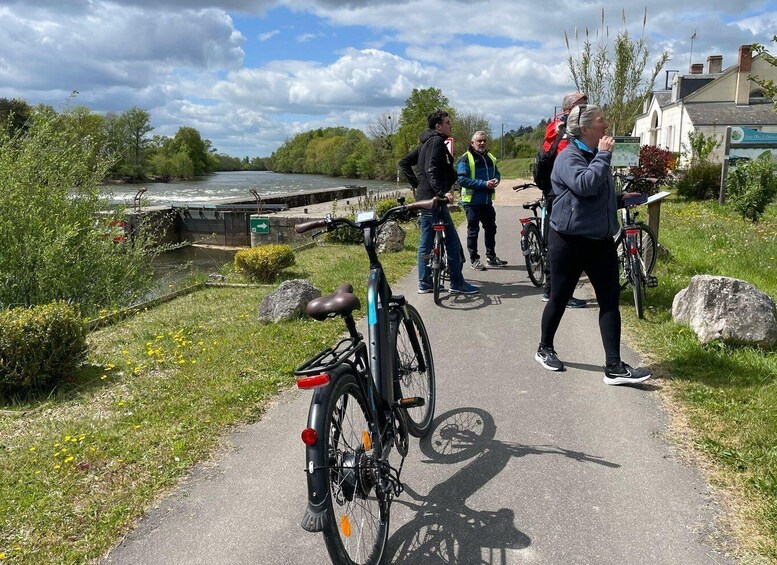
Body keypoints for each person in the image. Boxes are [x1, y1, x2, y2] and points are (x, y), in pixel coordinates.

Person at [534, 104, 652, 386]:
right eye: (601, 121)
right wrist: (604, 155)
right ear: (585, 129)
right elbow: (584, 185)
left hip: (601, 241)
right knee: (559, 298)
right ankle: (544, 348)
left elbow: (595, 194)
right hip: (568, 241)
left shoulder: (596, 156)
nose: (606, 126)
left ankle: (614, 366)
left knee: (609, 301)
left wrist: (620, 199)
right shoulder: (569, 156)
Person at [398, 110, 479, 295]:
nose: (451, 125)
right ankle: (457, 283)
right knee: (451, 240)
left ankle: (424, 283)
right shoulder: (435, 142)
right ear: (438, 126)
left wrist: (418, 185)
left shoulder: (425, 143)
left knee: (425, 241)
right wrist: (442, 192)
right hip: (435, 199)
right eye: (447, 122)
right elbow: (430, 169)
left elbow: (403, 163)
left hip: (424, 198)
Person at [540, 92, 588, 308]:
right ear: (571, 107)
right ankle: (557, 293)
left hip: (557, 189)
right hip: (560, 191)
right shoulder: (561, 125)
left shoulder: (560, 124)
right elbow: (566, 159)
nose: (586, 107)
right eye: (583, 104)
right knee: (563, 244)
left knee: (560, 243)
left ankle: (553, 290)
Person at [456, 131, 508, 271]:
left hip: (486, 201)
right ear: (472, 143)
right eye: (479, 141)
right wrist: (483, 184)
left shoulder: (490, 157)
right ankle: (474, 260)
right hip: (471, 201)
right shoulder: (465, 158)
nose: (482, 143)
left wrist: (497, 179)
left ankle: (491, 257)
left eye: (484, 140)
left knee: (491, 229)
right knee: (473, 231)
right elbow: (462, 180)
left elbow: (496, 172)